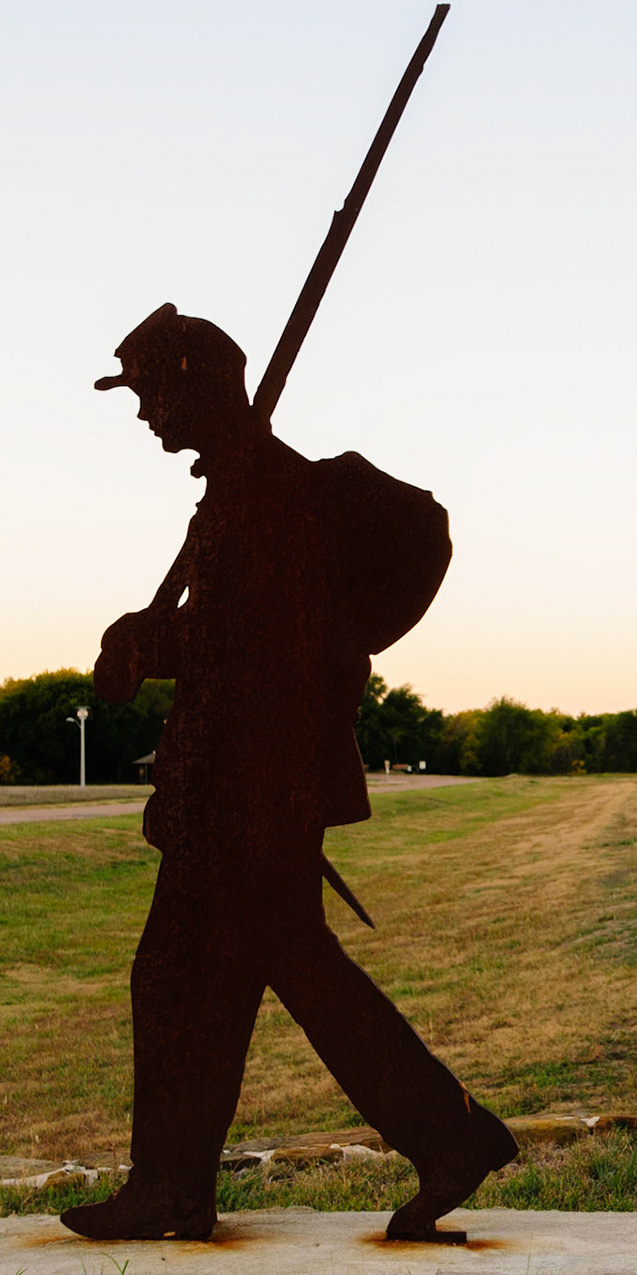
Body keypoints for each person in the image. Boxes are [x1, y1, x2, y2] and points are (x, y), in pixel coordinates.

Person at [63, 304, 516, 1244]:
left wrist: (157, 643)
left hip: (248, 794)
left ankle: (436, 1140)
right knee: (242, 979)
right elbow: (242, 638)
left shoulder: (267, 495)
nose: (146, 414)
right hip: (239, 792)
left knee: (201, 977)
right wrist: (150, 642)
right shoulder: (239, 491)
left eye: (151, 393)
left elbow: (254, 647)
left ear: (196, 382)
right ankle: (433, 1140)